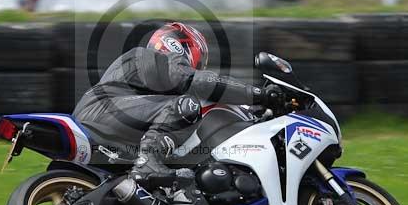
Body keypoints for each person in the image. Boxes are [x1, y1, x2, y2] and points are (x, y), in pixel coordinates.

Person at [73, 22, 284, 181]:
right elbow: (196, 81)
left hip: (105, 121)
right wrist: (259, 94)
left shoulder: (151, 81)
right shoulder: (151, 57)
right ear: (180, 45)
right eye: (198, 59)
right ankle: (149, 162)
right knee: (187, 106)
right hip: (100, 111)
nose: (197, 66)